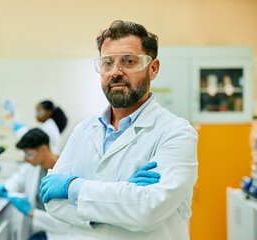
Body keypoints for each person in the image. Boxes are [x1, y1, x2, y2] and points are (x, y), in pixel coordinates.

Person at [39, 20, 198, 240]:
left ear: (153, 69)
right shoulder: (83, 131)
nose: (116, 72)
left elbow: (148, 209)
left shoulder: (177, 133)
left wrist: (73, 188)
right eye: (107, 63)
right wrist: (123, 196)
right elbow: (52, 204)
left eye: (129, 61)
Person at [0, 128, 70, 240]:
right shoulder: (34, 167)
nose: (25, 159)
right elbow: (18, 179)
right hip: (39, 230)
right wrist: (6, 188)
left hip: (59, 234)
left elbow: (66, 223)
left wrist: (32, 213)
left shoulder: (67, 173)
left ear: (43, 149)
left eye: (29, 154)